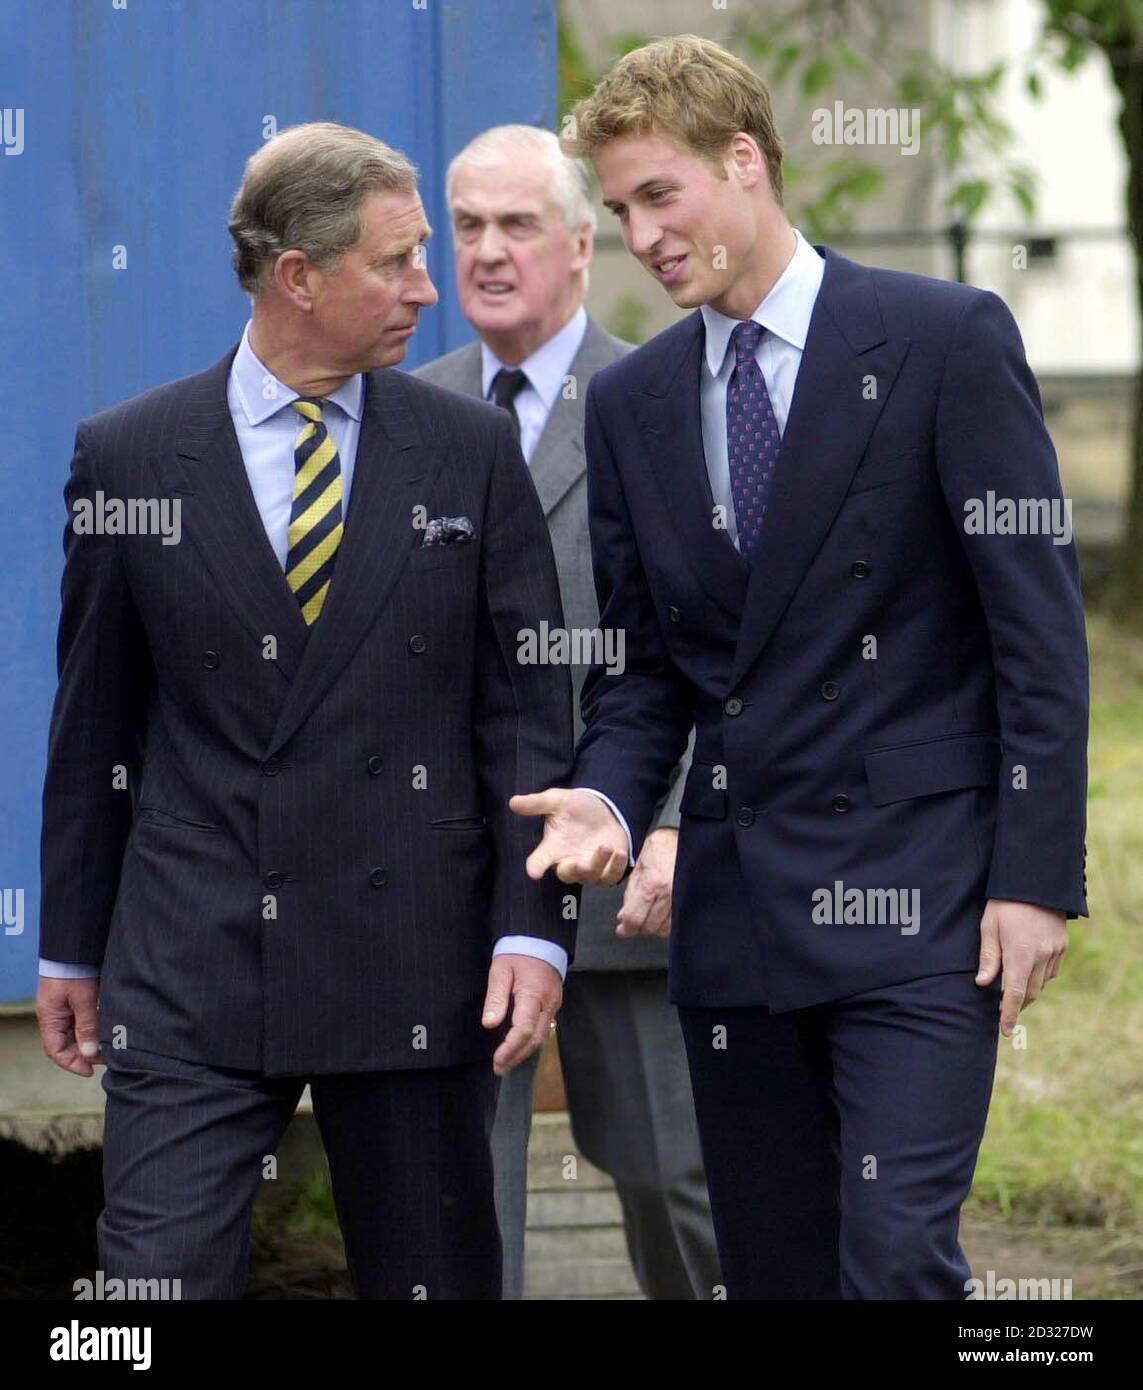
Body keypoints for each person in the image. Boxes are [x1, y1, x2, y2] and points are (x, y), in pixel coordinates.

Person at [513, 36, 1089, 1299]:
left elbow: (1037, 635)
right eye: (618, 211)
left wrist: (1037, 877)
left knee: (894, 1261)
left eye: (661, 195)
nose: (643, 234)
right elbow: (645, 671)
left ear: (746, 162)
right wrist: (609, 798)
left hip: (926, 905)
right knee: (777, 1272)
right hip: (742, 920)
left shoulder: (943, 336)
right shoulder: (635, 402)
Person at [37, 121, 575, 1301]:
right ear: (299, 276)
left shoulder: (470, 454)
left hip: (417, 959)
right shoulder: (129, 459)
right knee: (146, 1294)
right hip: (196, 960)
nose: (431, 289)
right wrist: (71, 942)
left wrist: (533, 926)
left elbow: (525, 716)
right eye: (398, 261)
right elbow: (95, 728)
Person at [415, 124, 720, 1300]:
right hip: (454, 885)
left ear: (583, 244)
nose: (489, 253)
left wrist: (679, 826)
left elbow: (714, 646)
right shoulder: (409, 411)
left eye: (519, 225)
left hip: (630, 885)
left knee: (675, 1183)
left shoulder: (665, 397)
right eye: (470, 227)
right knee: (458, 1200)